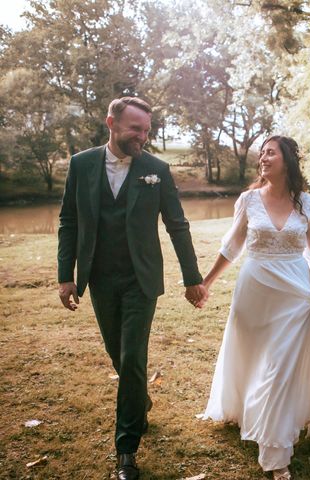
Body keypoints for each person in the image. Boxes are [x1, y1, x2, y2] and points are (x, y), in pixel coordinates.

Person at [57, 96, 208, 480]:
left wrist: (192, 278)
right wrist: (66, 275)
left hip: (141, 280)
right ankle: (139, 400)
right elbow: (68, 221)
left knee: (131, 356)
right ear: (112, 122)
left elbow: (178, 225)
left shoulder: (156, 169)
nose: (143, 136)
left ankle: (126, 450)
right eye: (135, 129)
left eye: (147, 130)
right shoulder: (82, 164)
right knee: (118, 355)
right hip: (100, 278)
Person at [200, 136, 310, 479]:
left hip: (295, 292)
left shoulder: (309, 204)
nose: (263, 158)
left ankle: (276, 454)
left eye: (270, 152)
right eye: (261, 153)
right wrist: (205, 283)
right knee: (254, 359)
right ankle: (248, 412)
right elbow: (232, 247)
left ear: (288, 160)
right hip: (255, 290)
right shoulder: (248, 200)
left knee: (279, 367)